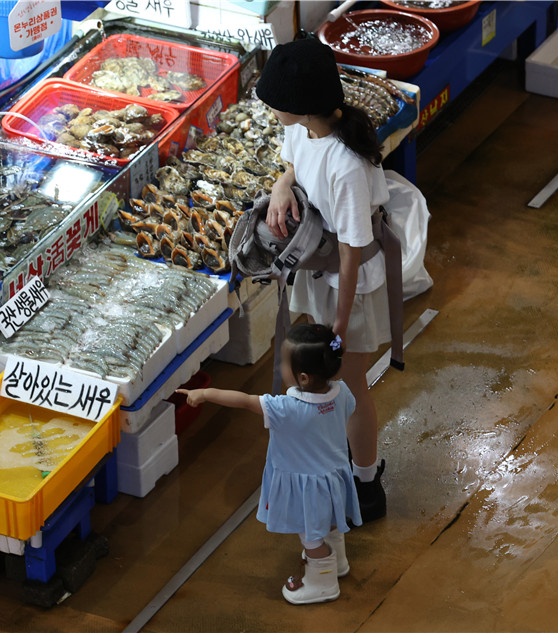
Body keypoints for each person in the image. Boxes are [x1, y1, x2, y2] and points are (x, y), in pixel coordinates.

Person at [254, 38, 389, 521]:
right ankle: (356, 462)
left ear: (302, 106)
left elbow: (352, 252)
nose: (271, 110)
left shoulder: (346, 166)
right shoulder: (305, 130)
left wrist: (340, 325)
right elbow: (293, 164)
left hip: (349, 283)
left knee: (350, 387)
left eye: (275, 102)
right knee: (341, 385)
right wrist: (281, 186)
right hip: (321, 267)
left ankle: (367, 485)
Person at [179, 323, 361, 604]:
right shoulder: (343, 392)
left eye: (283, 363)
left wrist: (205, 394)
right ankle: (338, 563)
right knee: (331, 522)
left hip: (308, 489)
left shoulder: (286, 409)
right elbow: (343, 413)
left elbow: (244, 401)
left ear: (303, 377)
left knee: (310, 537)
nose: (278, 366)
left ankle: (323, 583)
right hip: (334, 479)